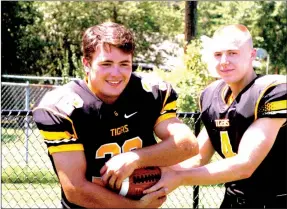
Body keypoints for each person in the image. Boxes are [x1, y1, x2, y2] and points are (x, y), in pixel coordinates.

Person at [32, 21, 199, 208]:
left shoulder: (150, 93)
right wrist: (135, 207)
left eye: (124, 64)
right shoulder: (62, 108)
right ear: (86, 63)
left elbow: (188, 146)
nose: (116, 73)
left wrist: (135, 159)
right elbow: (76, 189)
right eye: (106, 63)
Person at [144, 24, 287, 208]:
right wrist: (156, 174)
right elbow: (198, 158)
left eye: (233, 53)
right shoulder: (211, 95)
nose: (224, 61)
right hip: (234, 199)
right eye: (218, 54)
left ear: (252, 54)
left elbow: (245, 165)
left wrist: (178, 178)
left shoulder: (273, 90)